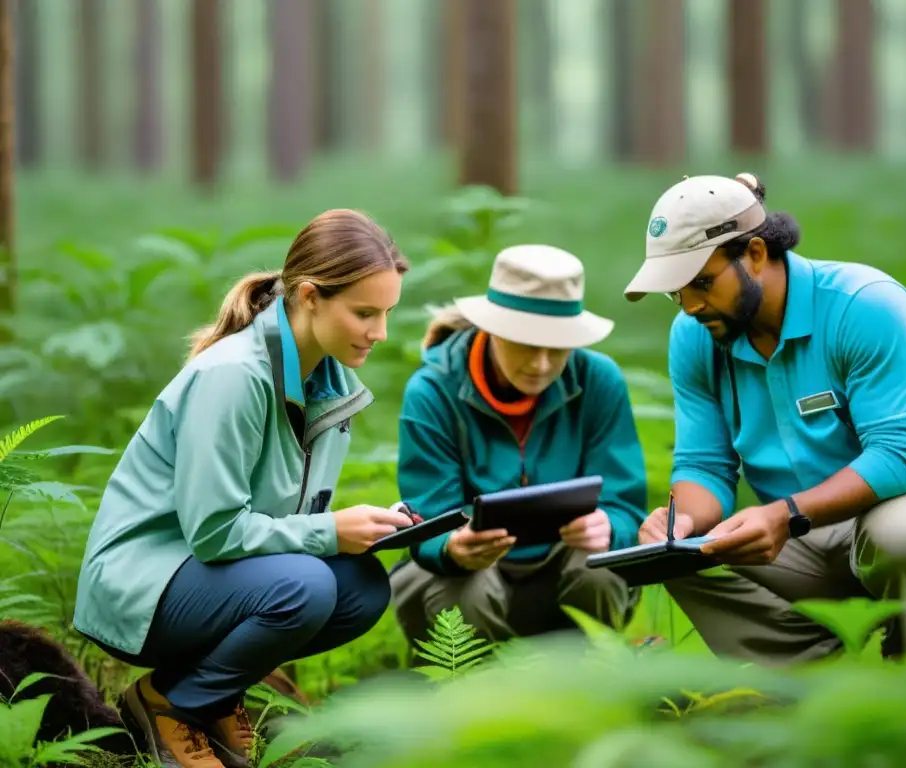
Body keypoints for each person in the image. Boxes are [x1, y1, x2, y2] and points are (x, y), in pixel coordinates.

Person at [73, 209, 415, 767]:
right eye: (365, 314)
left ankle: (214, 696)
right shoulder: (233, 376)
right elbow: (214, 533)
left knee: (361, 586)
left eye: (387, 314)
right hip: (143, 583)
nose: (380, 333)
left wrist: (359, 532)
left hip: (215, 577)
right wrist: (329, 531)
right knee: (307, 585)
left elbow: (280, 518)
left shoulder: (327, 383)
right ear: (309, 296)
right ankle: (170, 706)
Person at [622, 172, 906, 665]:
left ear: (754, 254)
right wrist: (681, 523)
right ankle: (809, 684)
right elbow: (704, 463)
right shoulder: (697, 335)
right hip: (801, 534)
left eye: (702, 283)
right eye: (676, 292)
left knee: (897, 532)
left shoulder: (865, 305)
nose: (689, 305)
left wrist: (783, 514)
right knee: (674, 559)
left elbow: (898, 458)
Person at [389, 244, 648, 645]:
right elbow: (426, 522)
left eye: (558, 347)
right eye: (527, 344)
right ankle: (475, 699)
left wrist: (610, 525)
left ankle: (591, 690)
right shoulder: (433, 391)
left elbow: (625, 503)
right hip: (468, 574)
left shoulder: (599, 380)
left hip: (565, 560)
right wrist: (453, 548)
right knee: (466, 593)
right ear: (492, 329)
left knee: (599, 569)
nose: (542, 364)